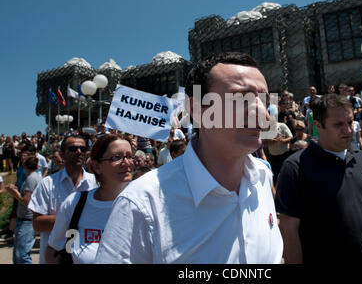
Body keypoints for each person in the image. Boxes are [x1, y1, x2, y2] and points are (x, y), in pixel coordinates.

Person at [96, 52, 283, 264]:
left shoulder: (263, 176)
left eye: (265, 101)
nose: (263, 114)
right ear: (196, 109)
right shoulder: (141, 204)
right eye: (241, 98)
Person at [275, 94, 362, 264]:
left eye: (350, 122)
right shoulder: (296, 167)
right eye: (338, 124)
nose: (348, 130)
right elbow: (289, 229)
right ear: (318, 125)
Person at [45, 134, 133, 264]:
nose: (126, 162)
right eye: (116, 157)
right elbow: (53, 249)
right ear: (97, 166)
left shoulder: (144, 204)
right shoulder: (75, 203)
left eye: (129, 156)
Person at [28, 134, 97, 263]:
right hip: (54, 258)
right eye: (73, 148)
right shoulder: (47, 184)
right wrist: (74, 216)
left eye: (82, 149)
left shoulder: (96, 184)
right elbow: (37, 224)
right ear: (62, 154)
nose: (79, 152)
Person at [5, 156, 41, 264]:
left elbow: (27, 201)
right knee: (18, 254)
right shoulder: (35, 177)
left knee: (21, 255)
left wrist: (14, 193)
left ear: (24, 166)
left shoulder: (31, 179)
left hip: (27, 220)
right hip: (27, 220)